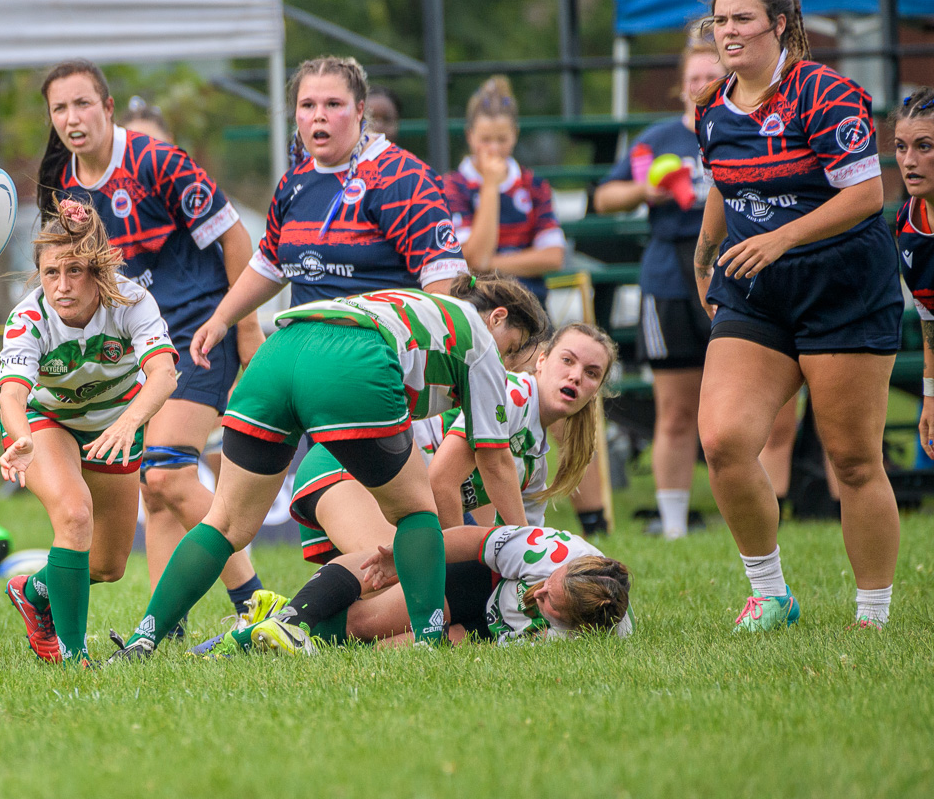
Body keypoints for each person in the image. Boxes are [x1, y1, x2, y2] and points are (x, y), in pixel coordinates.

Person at [110, 274, 547, 661]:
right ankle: (428, 643)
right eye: (512, 350)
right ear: (498, 319)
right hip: (351, 360)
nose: (506, 366)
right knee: (417, 513)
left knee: (224, 524)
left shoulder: (416, 304)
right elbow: (495, 460)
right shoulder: (480, 340)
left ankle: (143, 640)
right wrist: (526, 549)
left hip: (279, 350)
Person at [690, 0, 896, 632]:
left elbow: (866, 195)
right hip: (756, 291)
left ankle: (873, 614)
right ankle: (771, 593)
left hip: (842, 286)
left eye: (742, 19)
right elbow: (724, 182)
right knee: (723, 440)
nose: (729, 32)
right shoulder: (713, 108)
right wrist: (703, 256)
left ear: (779, 24)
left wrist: (781, 238)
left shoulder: (824, 93)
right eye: (721, 20)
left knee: (853, 459)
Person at [38, 60, 265, 621]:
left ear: (108, 108)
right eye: (60, 108)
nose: (72, 118)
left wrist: (247, 329)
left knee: (165, 469)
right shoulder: (63, 185)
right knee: (155, 486)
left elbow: (238, 241)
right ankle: (162, 626)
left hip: (197, 332)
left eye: (83, 103)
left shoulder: (156, 160)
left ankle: (257, 603)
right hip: (136, 342)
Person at [596, 37, 796, 540]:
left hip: (745, 273)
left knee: (764, 410)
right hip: (668, 279)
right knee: (678, 412)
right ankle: (673, 525)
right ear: (679, 85)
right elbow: (604, 197)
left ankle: (767, 519)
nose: (698, 85)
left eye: (708, 74)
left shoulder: (751, 130)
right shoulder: (657, 139)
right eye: (690, 77)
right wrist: (646, 190)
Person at [0, 200, 179, 665]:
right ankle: (75, 657)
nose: (61, 285)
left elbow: (163, 375)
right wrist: (21, 438)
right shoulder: (28, 318)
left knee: (106, 565)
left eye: (74, 270)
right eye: (50, 271)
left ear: (98, 270)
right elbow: (12, 396)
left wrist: (128, 421)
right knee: (74, 516)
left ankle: (33, 590)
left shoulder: (132, 301)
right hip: (48, 424)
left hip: (118, 424)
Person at [191, 55, 468, 345]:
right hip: (299, 347)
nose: (318, 115)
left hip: (374, 350)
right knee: (249, 393)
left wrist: (438, 368)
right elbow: (269, 264)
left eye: (333, 104)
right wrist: (219, 321)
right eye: (308, 105)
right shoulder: (294, 181)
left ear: (360, 110)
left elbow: (445, 283)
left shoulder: (403, 178)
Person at [290, 322, 610, 568]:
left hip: (387, 496)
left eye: (591, 373)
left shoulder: (534, 465)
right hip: (347, 466)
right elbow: (441, 481)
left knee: (407, 607)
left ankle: (289, 623)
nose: (576, 376)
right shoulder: (512, 394)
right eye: (567, 360)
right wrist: (458, 570)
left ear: (595, 391)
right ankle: (283, 620)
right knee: (418, 578)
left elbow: (521, 548)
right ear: (541, 361)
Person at [210, 524, 631, 654]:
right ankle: (286, 622)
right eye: (546, 588)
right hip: (479, 581)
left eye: (550, 605)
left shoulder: (586, 639)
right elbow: (471, 539)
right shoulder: (548, 554)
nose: (536, 596)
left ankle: (281, 616)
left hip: (486, 631)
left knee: (380, 650)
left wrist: (447, 640)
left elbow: (485, 648)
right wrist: (404, 557)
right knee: (365, 621)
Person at [443, 76, 567, 304]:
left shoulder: (534, 185)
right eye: (485, 139)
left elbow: (553, 256)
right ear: (470, 136)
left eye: (502, 139)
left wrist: (490, 263)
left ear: (515, 134)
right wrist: (490, 186)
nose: (494, 149)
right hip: (477, 301)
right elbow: (475, 257)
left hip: (528, 300)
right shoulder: (452, 187)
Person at [894, 87, 934, 463]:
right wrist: (931, 397)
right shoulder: (908, 221)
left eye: (924, 146)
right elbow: (928, 316)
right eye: (901, 147)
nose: (909, 161)